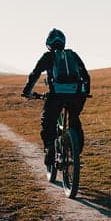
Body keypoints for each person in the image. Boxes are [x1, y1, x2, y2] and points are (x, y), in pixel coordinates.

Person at [22, 29, 91, 165]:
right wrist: (85, 92)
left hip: (56, 96)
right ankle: (75, 151)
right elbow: (86, 76)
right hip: (76, 96)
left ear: (48, 43)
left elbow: (34, 74)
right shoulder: (73, 55)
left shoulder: (48, 57)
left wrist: (27, 91)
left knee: (48, 121)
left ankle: (50, 147)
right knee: (74, 120)